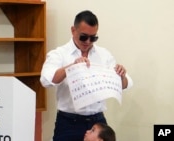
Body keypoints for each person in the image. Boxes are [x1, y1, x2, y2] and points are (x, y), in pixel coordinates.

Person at [40, 10, 133, 141]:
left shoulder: (104, 54)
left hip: (98, 122)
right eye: (83, 37)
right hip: (68, 122)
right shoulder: (59, 54)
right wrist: (71, 67)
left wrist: (122, 75)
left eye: (93, 37)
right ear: (73, 30)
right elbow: (46, 80)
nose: (88, 41)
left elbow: (126, 84)